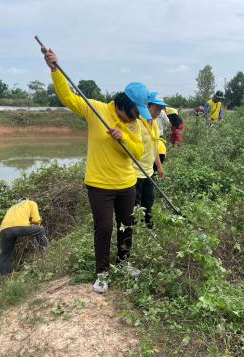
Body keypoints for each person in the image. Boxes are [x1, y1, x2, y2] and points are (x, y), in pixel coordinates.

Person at [44, 49, 147, 293]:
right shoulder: (96, 110)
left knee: (126, 226)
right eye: (135, 111)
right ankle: (102, 272)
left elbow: (139, 152)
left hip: (126, 184)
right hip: (99, 185)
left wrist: (123, 138)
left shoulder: (134, 124)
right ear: (125, 104)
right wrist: (55, 70)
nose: (137, 117)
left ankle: (124, 264)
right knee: (103, 228)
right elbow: (68, 98)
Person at [134, 91, 166, 228]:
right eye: (155, 109)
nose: (158, 112)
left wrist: (159, 167)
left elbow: (155, 149)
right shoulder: (137, 123)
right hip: (135, 172)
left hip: (148, 171)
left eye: (160, 109)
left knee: (148, 202)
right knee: (135, 206)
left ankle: (148, 229)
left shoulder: (155, 125)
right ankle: (134, 231)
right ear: (147, 106)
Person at [0, 198, 48, 276]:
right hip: (20, 226)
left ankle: (4, 276)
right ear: (27, 199)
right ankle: (46, 253)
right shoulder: (31, 203)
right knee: (40, 230)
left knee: (5, 253)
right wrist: (33, 226)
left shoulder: (12, 207)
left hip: (4, 230)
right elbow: (36, 220)